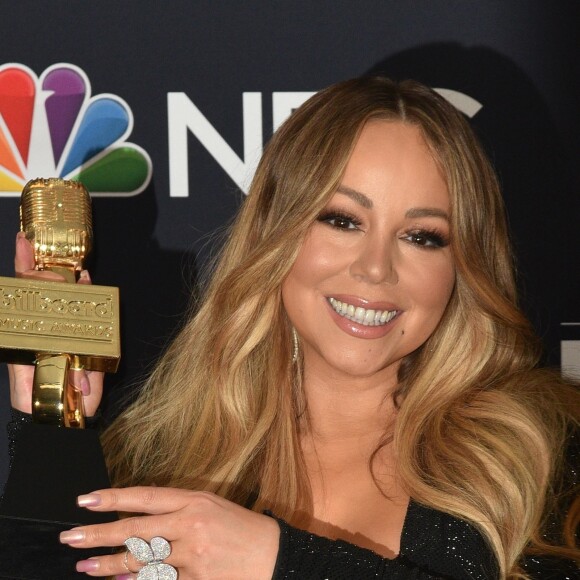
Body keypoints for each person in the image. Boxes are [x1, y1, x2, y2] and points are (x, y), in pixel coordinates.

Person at [7, 76, 578, 579]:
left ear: (463, 265)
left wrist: (280, 562)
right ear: (275, 234)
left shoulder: (539, 456)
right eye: (342, 220)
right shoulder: (163, 459)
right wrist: (52, 428)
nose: (376, 268)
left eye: (422, 236)